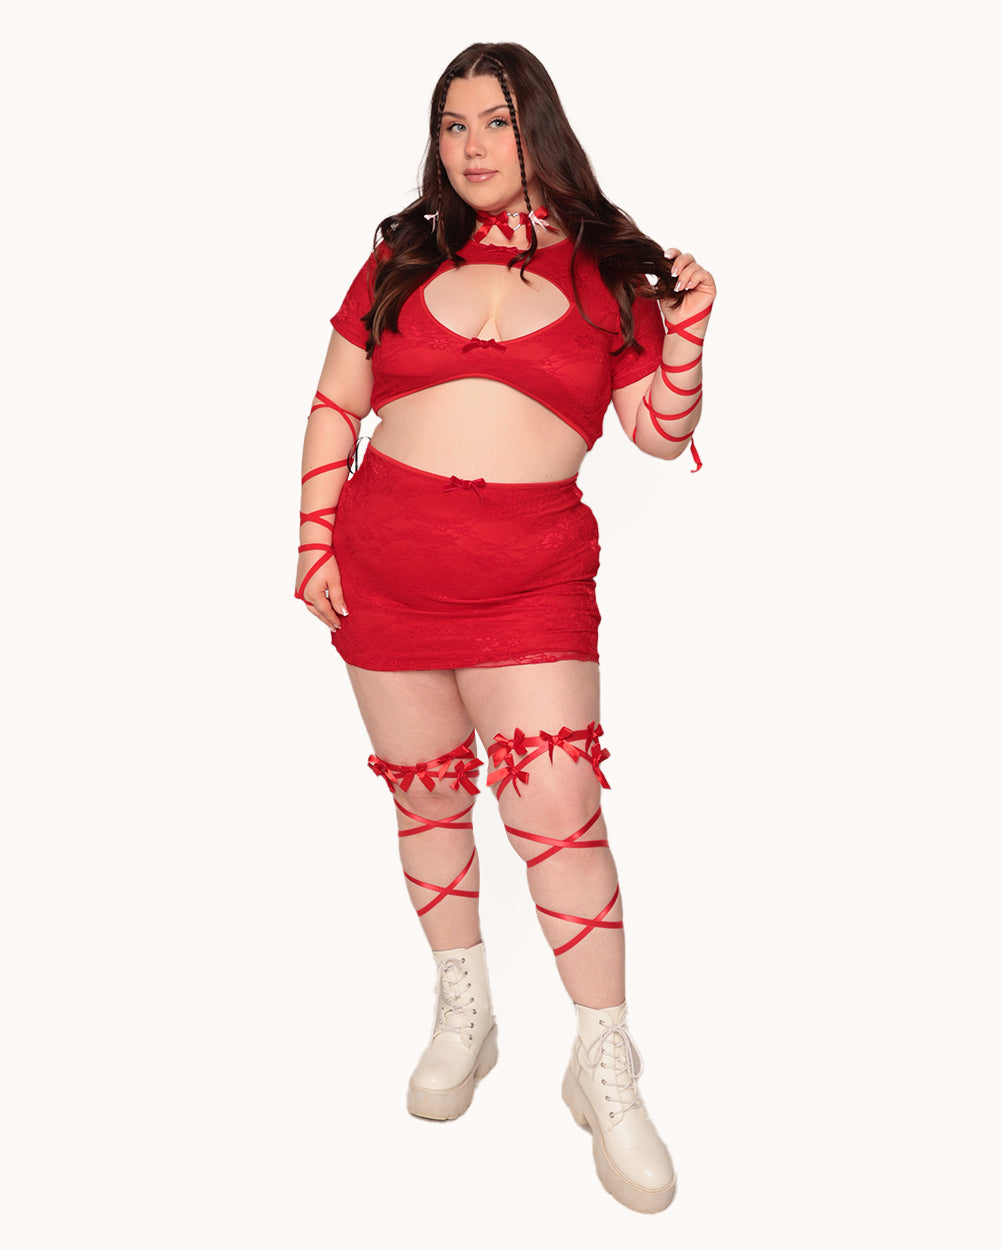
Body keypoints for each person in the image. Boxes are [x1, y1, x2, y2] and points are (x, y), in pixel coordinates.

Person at [294, 42, 715, 1215]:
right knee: (426, 795)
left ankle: (603, 1062)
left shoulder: (606, 271)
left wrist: (685, 331)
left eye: (496, 122)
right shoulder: (400, 256)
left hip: (528, 586)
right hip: (384, 574)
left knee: (556, 810)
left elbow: (655, 431)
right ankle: (464, 1008)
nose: (472, 146)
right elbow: (334, 402)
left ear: (539, 129)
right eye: (453, 124)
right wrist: (313, 541)